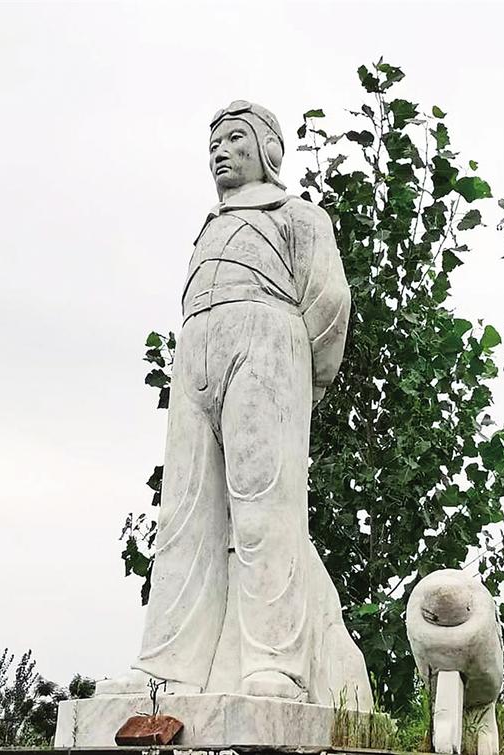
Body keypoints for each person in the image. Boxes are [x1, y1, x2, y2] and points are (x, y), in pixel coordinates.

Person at [97, 101, 372, 707]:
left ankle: (275, 663)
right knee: (183, 515)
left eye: (235, 138)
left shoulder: (297, 216)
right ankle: (167, 665)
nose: (220, 151)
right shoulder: (209, 226)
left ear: (268, 149)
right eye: (214, 143)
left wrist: (293, 376)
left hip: (268, 342)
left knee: (265, 508)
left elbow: (329, 307)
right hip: (197, 350)